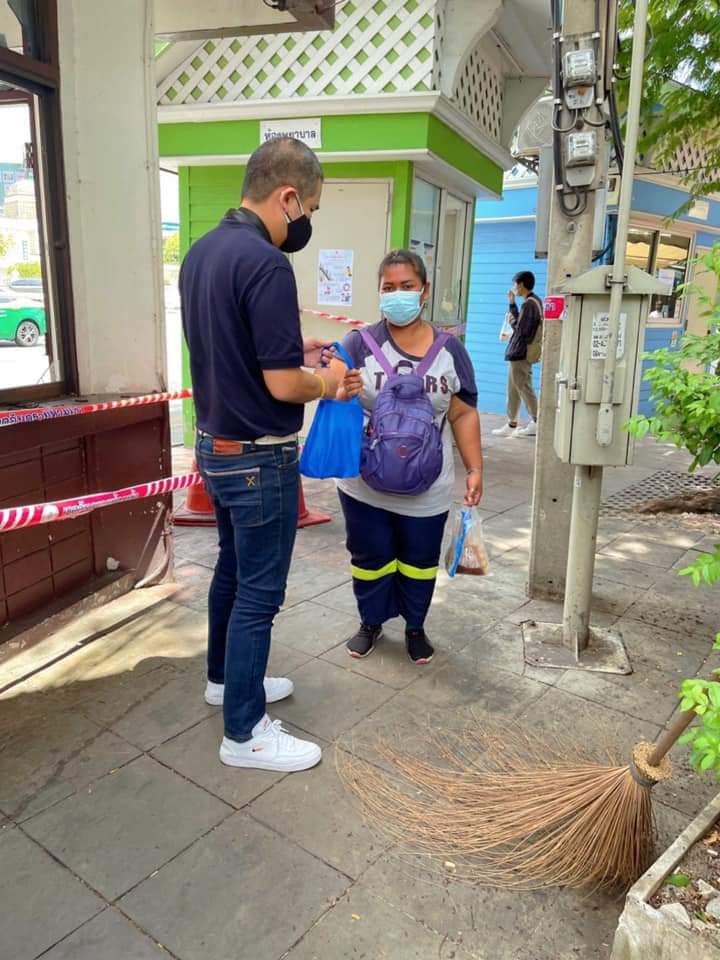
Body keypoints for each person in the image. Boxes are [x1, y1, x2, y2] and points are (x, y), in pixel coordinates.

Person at [180, 137, 360, 774]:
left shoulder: (202, 253)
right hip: (258, 460)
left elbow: (234, 348)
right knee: (259, 594)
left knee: (231, 573)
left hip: (215, 448)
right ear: (287, 197)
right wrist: (328, 383)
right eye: (310, 207)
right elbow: (283, 385)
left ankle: (226, 682)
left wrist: (294, 350)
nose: (307, 220)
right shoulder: (266, 263)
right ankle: (245, 733)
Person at [331, 249, 483, 664]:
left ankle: (415, 626)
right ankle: (371, 621)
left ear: (424, 291)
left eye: (407, 286)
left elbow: (462, 413)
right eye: (388, 287)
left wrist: (475, 469)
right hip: (364, 484)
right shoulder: (358, 344)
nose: (397, 294)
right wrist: (337, 388)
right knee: (369, 557)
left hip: (428, 486)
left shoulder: (451, 350)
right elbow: (331, 392)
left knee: (419, 560)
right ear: (379, 292)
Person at [491, 270, 543, 439]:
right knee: (513, 388)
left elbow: (523, 332)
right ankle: (511, 423)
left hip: (521, 353)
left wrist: (513, 321)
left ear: (521, 284)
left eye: (515, 284)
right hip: (519, 354)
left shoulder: (529, 304)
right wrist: (512, 304)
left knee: (524, 387)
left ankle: (537, 421)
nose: (514, 287)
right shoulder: (533, 302)